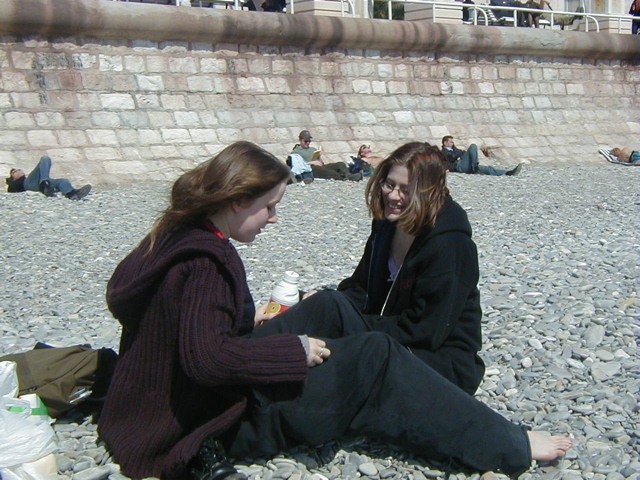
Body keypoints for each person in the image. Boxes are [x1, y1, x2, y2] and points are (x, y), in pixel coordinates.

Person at [98, 141, 572, 480]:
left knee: (358, 335)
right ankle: (510, 444)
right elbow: (208, 358)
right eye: (269, 207)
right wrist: (293, 349)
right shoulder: (206, 263)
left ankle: (480, 424)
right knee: (369, 349)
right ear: (237, 201)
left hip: (439, 358)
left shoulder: (179, 235)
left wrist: (277, 331)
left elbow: (427, 330)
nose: (274, 219)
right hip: (193, 422)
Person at [256, 142, 484, 395]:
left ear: (429, 192)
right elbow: (359, 289)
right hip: (391, 340)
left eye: (406, 190)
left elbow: (425, 332)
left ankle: (250, 363)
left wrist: (349, 328)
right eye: (389, 184)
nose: (393, 196)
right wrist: (313, 303)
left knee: (324, 356)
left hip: (440, 363)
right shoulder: (387, 225)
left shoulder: (449, 245)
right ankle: (246, 355)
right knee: (321, 308)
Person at [5, 156, 92, 200]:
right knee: (45, 158)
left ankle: (71, 193)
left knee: (62, 181)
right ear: (13, 178)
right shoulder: (14, 183)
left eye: (18, 169)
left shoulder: (29, 177)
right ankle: (45, 183)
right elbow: (11, 191)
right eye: (14, 172)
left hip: (38, 186)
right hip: (28, 185)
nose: (17, 171)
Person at [291, 130, 362, 181]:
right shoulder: (296, 151)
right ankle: (342, 179)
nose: (308, 143)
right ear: (300, 139)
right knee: (329, 172)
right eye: (305, 141)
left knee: (340, 164)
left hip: (320, 166)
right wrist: (311, 163)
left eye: (309, 141)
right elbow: (297, 167)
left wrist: (319, 157)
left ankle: (348, 175)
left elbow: (321, 163)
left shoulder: (312, 149)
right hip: (310, 169)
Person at [441, 136, 522, 176]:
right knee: (473, 146)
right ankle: (475, 166)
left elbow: (462, 153)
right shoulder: (443, 152)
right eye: (451, 142)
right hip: (458, 166)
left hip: (463, 164)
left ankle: (508, 173)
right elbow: (452, 157)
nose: (452, 143)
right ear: (445, 143)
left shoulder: (454, 149)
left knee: (488, 169)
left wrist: (460, 155)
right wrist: (460, 156)